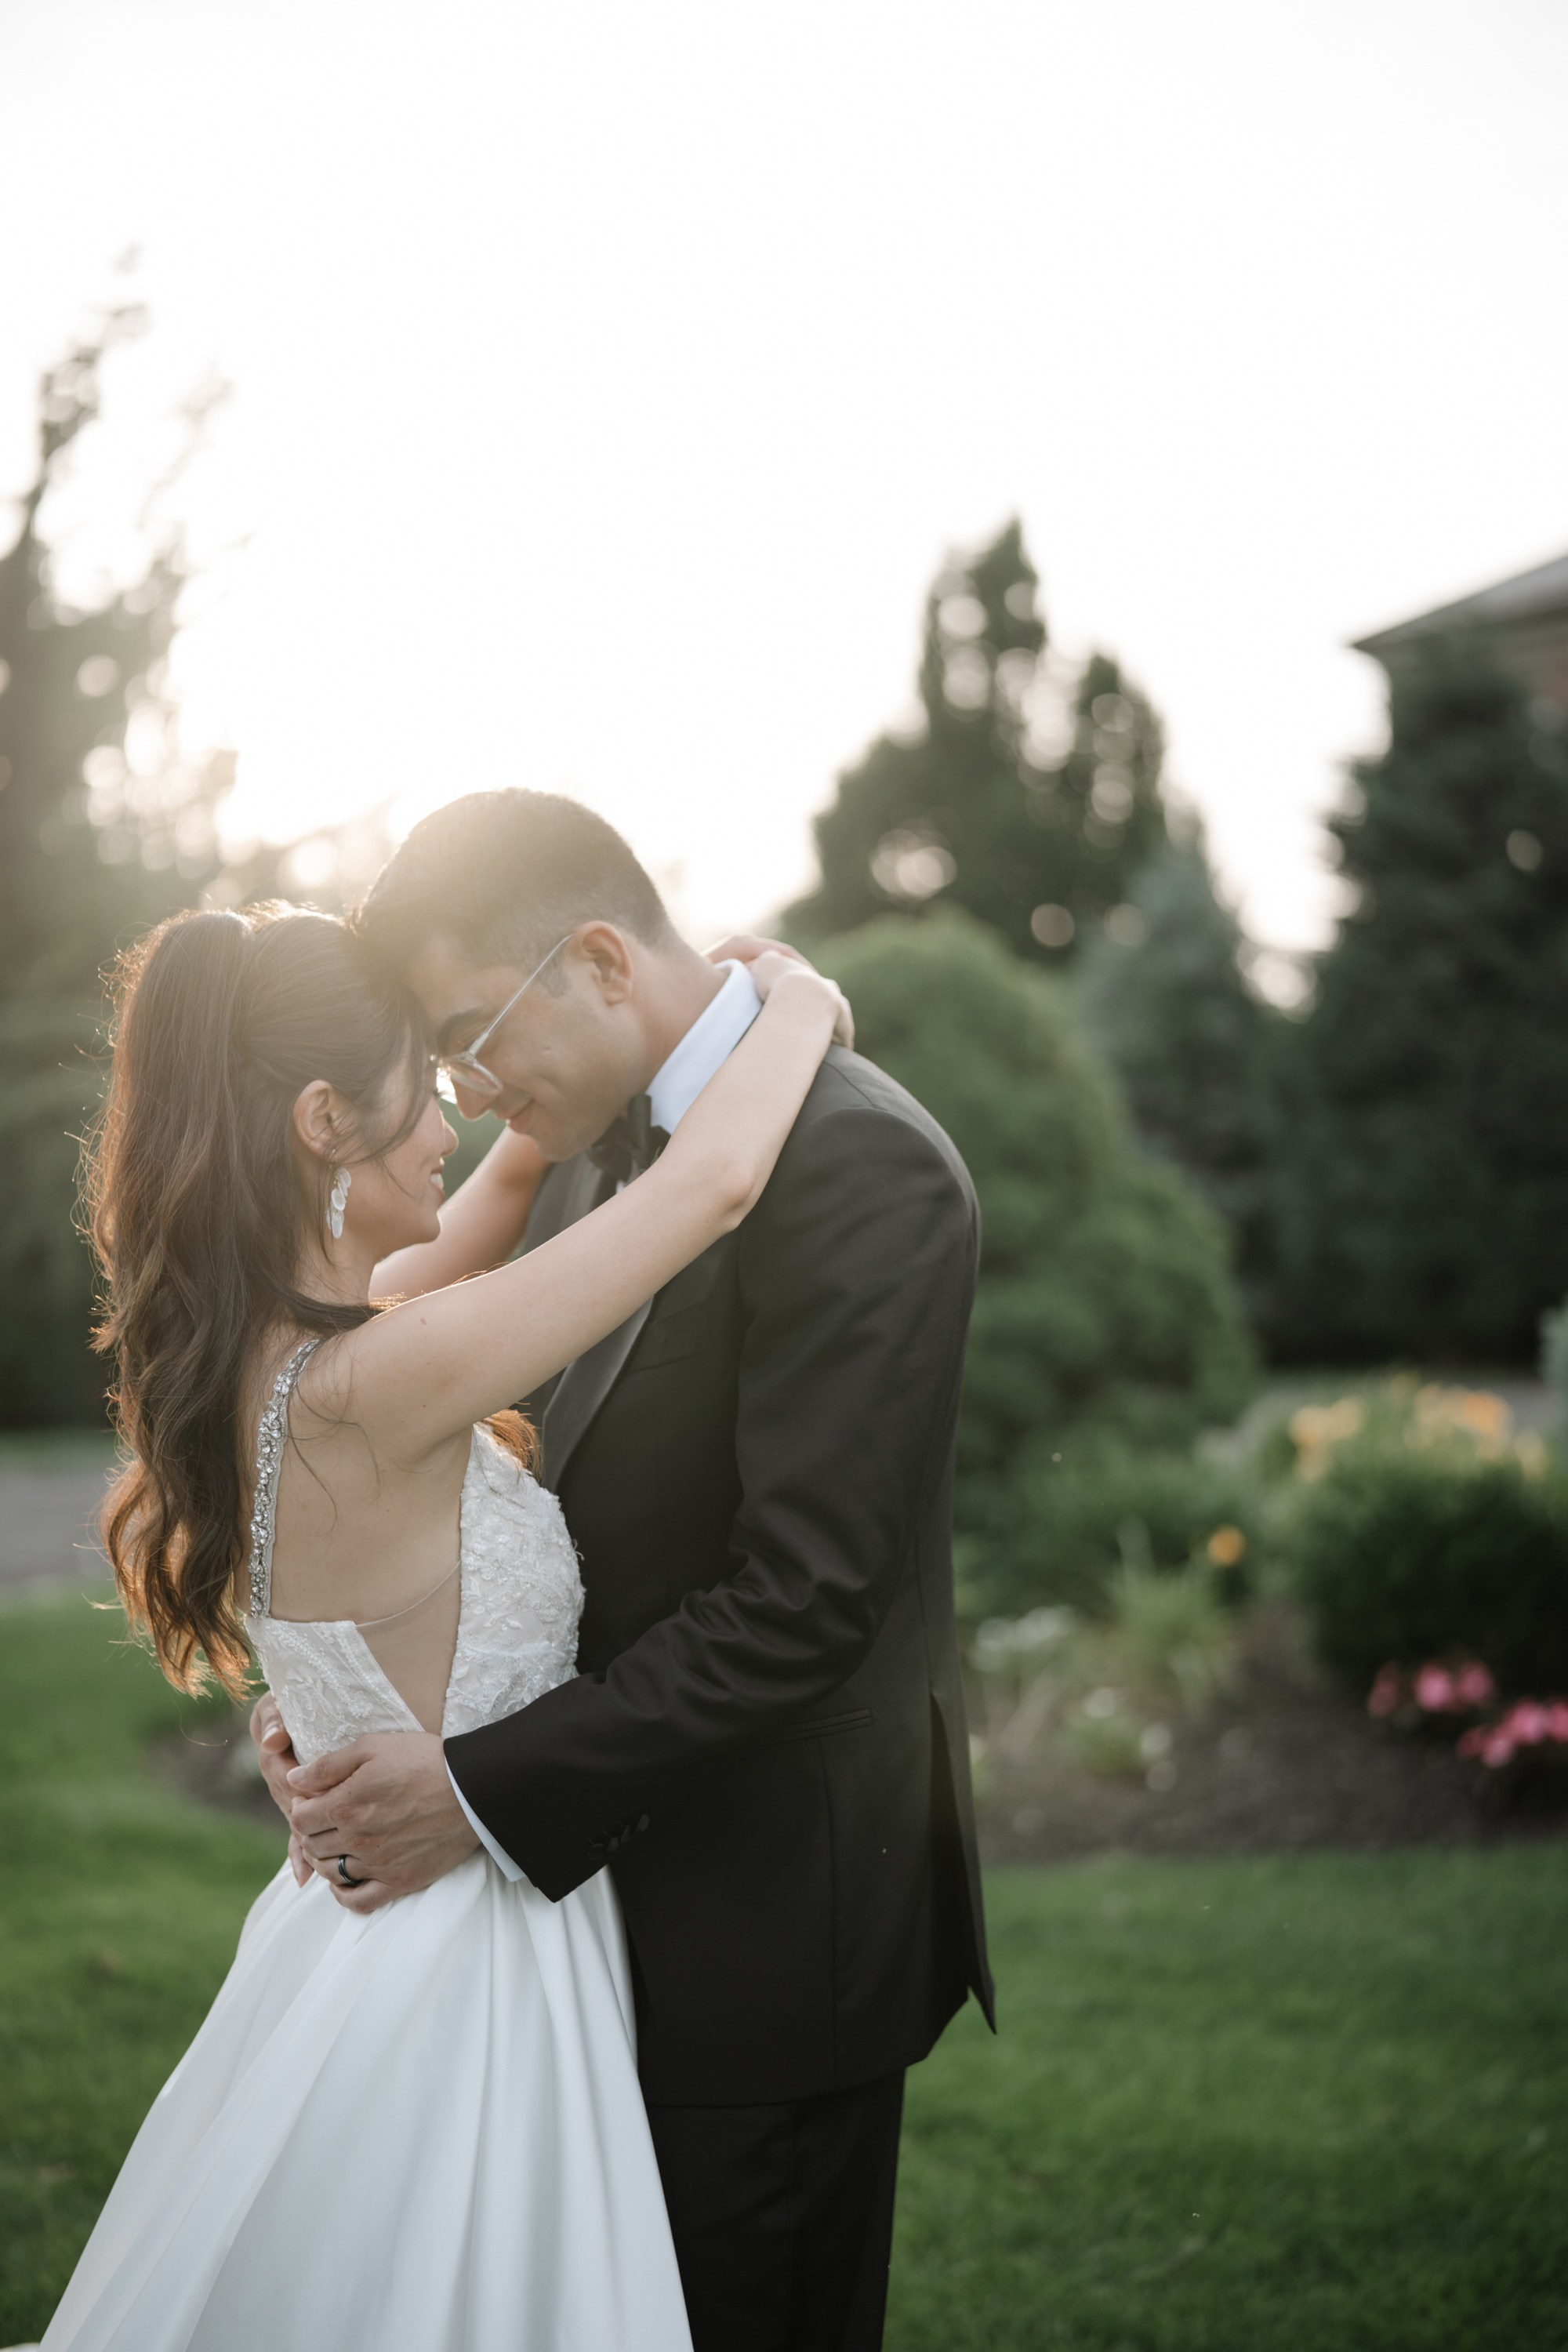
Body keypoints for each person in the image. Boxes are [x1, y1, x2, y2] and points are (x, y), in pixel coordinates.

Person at [42, 893, 847, 2352]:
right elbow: (710, 1189)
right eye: (428, 1080)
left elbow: (498, 1190)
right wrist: (793, 998)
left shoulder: (281, 1355)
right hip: (470, 1967)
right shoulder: (382, 1378)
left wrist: (601, 1048)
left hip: (361, 1933)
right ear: (323, 1121)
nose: (459, 1113)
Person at [253, 793, 994, 2352]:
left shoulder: (858, 1166)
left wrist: (470, 1789)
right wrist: (352, 1704)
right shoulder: (594, 1158)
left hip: (768, 1942)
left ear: (596, 958)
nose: (466, 1095)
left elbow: (801, 1598)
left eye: (471, 1034)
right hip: (581, 1931)